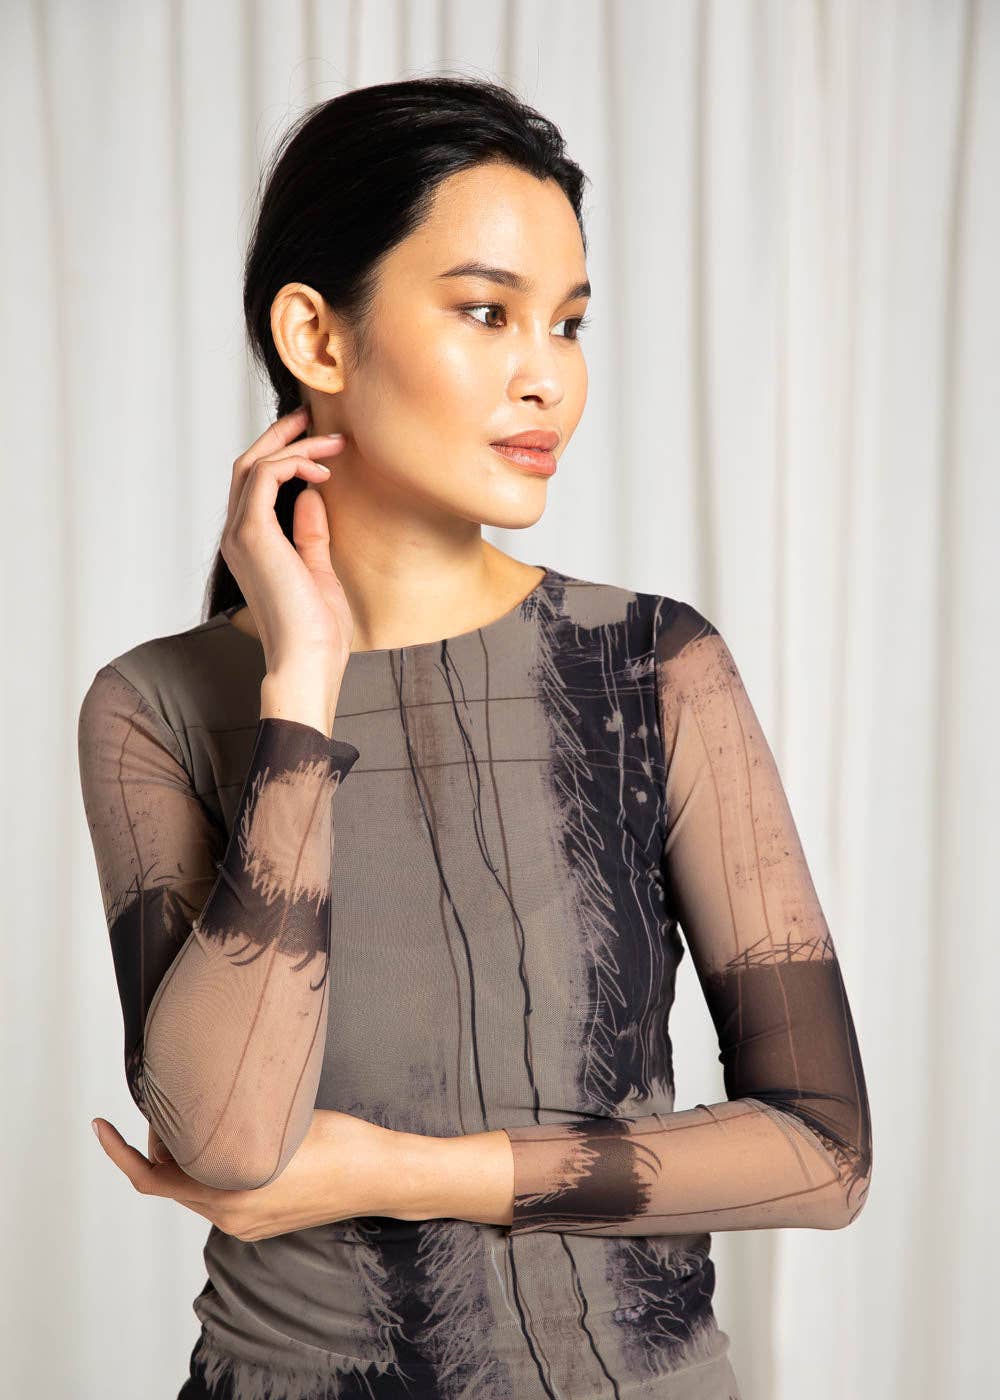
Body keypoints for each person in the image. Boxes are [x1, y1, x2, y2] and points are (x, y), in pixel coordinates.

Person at [77, 76, 872, 1400]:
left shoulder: (652, 667)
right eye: (487, 311)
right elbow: (225, 1139)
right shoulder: (156, 705)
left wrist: (410, 1172)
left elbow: (824, 1154)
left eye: (569, 323)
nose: (546, 374)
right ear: (316, 338)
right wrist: (301, 689)